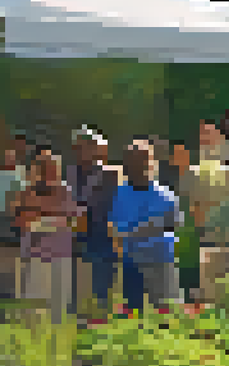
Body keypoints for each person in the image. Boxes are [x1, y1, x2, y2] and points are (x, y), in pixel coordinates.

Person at [109, 140, 183, 313]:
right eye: (132, 160)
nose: (137, 165)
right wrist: (144, 228)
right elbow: (115, 228)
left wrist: (144, 229)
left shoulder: (166, 195)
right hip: (131, 262)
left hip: (161, 261)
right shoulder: (119, 194)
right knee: (133, 314)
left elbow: (175, 223)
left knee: (167, 313)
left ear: (151, 163)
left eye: (142, 160)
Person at [10, 150, 81, 323]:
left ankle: (54, 338)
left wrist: (46, 219)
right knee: (34, 306)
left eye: (53, 168)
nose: (50, 172)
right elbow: (21, 220)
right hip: (35, 256)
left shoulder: (65, 190)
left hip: (60, 256)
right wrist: (48, 219)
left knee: (58, 305)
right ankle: (32, 338)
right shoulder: (28, 191)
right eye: (46, 168)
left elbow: (75, 221)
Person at [68, 128, 121, 318]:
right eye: (79, 147)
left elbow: (115, 204)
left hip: (101, 236)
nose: (84, 151)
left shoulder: (110, 175)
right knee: (72, 285)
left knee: (101, 285)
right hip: (73, 236)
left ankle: (100, 319)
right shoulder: (68, 173)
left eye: (89, 146)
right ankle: (72, 319)